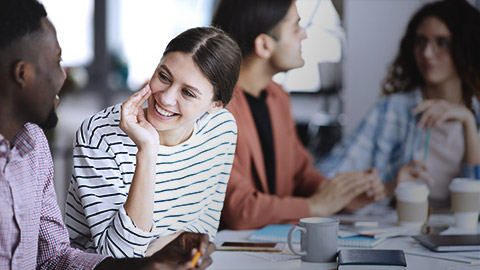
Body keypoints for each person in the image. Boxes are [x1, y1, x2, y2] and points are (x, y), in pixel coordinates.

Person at [0, 0, 214, 269]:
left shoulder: (34, 146)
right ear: (23, 74)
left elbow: (53, 258)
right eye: (57, 62)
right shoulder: (98, 133)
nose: (64, 77)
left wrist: (148, 266)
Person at [65, 26, 241, 257]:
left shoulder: (221, 130)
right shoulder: (100, 133)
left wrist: (157, 252)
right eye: (164, 77)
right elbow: (120, 258)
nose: (166, 98)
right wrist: (147, 151)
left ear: (215, 105)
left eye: (188, 93)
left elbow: (202, 231)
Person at [211, 0, 386, 230]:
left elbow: (301, 174)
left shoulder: (278, 97)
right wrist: (316, 206)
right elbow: (240, 209)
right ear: (264, 45)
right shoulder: (216, 107)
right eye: (296, 27)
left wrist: (342, 195)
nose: (304, 35)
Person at [319, 0, 480, 207]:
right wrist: (388, 187)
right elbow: (325, 180)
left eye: (442, 42)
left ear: (465, 48)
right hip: (401, 232)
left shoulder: (475, 115)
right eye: (421, 42)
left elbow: (473, 205)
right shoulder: (391, 111)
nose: (427, 53)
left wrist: (467, 121)